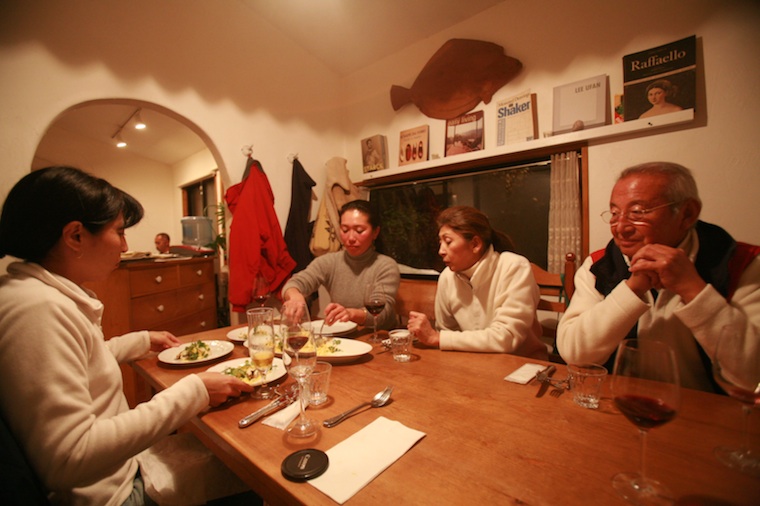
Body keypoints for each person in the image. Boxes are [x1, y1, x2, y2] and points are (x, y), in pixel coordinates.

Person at [0, 167, 253, 505]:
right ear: (75, 236)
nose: (125, 245)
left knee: (234, 450)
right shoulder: (37, 310)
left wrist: (139, 341)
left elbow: (78, 362)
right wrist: (195, 390)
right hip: (114, 493)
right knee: (250, 468)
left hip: (120, 468)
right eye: (118, 232)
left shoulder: (35, 295)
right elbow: (68, 459)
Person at [556, 162, 760, 392]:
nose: (620, 228)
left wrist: (692, 288)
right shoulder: (599, 265)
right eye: (614, 214)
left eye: (638, 212)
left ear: (687, 214)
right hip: (617, 400)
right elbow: (574, 353)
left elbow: (752, 377)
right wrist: (633, 289)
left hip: (710, 409)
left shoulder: (741, 264)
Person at [407, 206, 547, 358]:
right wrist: (438, 338)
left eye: (448, 242)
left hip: (521, 362)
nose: (441, 251)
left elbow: (506, 337)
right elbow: (446, 332)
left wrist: (437, 338)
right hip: (474, 361)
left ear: (475, 244)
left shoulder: (513, 267)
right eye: (440, 242)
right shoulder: (447, 277)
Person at [282, 199, 399, 329]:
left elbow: (382, 313)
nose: (351, 238)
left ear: (375, 232)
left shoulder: (385, 266)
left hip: (380, 335)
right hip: (345, 333)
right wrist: (295, 296)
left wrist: (351, 314)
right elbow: (296, 282)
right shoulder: (330, 261)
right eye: (345, 230)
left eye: (359, 230)